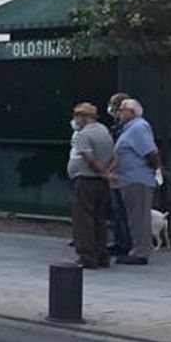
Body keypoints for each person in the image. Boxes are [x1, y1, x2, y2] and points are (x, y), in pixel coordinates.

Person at [67, 102, 115, 268]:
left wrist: (101, 171)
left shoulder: (83, 135)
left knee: (83, 219)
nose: (75, 120)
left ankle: (87, 256)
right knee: (98, 218)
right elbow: (114, 154)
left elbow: (89, 157)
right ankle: (102, 254)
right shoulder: (104, 131)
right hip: (100, 183)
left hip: (85, 179)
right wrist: (107, 172)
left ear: (84, 117)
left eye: (77, 116)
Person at [112, 97, 159, 265]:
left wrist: (149, 169)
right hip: (129, 179)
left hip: (137, 180)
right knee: (134, 217)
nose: (118, 113)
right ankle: (137, 248)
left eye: (121, 110)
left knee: (138, 217)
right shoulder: (129, 129)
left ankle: (140, 252)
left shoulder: (139, 128)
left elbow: (151, 154)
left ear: (131, 112)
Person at [105, 91, 132, 256]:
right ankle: (119, 241)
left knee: (124, 209)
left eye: (113, 105)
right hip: (114, 172)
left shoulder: (129, 127)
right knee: (116, 209)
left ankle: (126, 243)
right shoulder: (116, 127)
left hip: (124, 172)